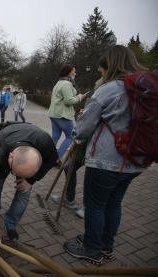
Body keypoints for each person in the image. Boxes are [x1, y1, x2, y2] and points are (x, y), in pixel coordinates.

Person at [64, 45, 150, 264]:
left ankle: (92, 248)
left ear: (109, 67)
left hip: (106, 160)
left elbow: (83, 129)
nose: (102, 75)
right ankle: (105, 246)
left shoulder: (109, 89)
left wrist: (79, 129)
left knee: (95, 205)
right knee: (113, 204)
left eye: (102, 71)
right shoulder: (145, 88)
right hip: (135, 161)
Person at [0, 122, 58, 245]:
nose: (17, 177)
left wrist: (30, 180)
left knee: (24, 191)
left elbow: (52, 160)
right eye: (15, 173)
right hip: (5, 152)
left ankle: (10, 223)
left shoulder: (45, 142)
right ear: (11, 157)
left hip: (25, 153)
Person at [51, 72, 106, 212]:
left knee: (92, 175)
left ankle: (89, 208)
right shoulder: (104, 94)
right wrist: (85, 112)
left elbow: (94, 121)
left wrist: (79, 132)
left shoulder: (106, 94)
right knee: (68, 166)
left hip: (95, 141)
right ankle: (70, 199)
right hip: (87, 139)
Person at [47, 65, 86, 158]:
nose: (75, 73)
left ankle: (47, 157)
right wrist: (80, 97)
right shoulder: (67, 84)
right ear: (69, 73)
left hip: (54, 114)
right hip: (62, 115)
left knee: (55, 136)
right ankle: (56, 158)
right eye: (74, 72)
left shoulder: (59, 82)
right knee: (71, 137)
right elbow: (69, 101)